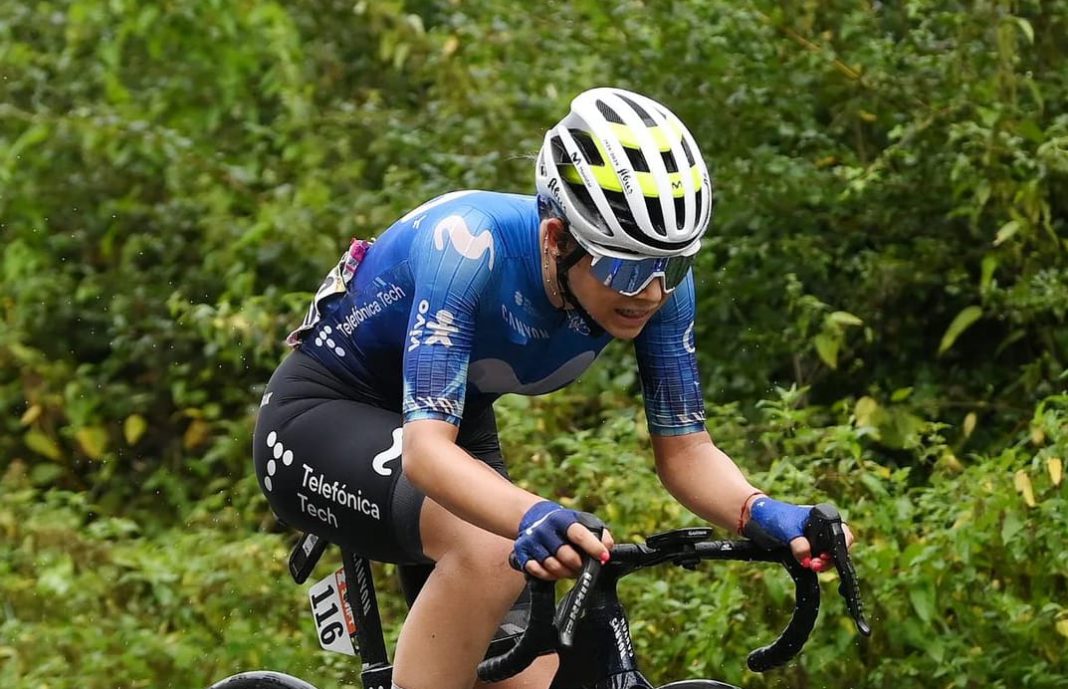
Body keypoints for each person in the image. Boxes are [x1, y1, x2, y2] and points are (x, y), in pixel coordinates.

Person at [252, 87, 853, 689]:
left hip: (454, 423)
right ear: (556, 238)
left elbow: (687, 452)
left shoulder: (657, 285)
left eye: (671, 266)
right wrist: (534, 512)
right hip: (322, 418)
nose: (650, 293)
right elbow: (427, 452)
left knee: (533, 680)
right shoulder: (467, 245)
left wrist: (763, 512)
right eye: (625, 267)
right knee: (491, 550)